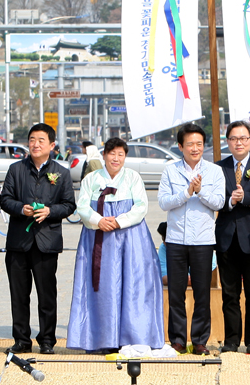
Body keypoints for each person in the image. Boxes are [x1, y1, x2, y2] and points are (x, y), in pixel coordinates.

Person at [67, 138, 164, 353]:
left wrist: (119, 221)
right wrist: (98, 220)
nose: (116, 158)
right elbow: (82, 206)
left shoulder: (133, 177)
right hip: (98, 238)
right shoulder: (91, 179)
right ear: (103, 155)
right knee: (102, 286)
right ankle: (101, 339)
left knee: (133, 285)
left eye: (121, 154)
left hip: (130, 237)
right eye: (112, 154)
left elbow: (141, 207)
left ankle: (132, 336)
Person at [0, 123, 77, 355]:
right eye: (32, 139)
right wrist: (20, 209)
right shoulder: (16, 170)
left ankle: (46, 340)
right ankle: (22, 339)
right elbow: (5, 199)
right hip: (18, 242)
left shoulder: (61, 173)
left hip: (46, 243)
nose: (35, 144)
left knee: (46, 295)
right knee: (19, 295)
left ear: (52, 145)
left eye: (41, 140)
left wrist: (50, 211)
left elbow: (69, 205)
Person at [158, 123, 225, 355]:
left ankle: (199, 341)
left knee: (201, 294)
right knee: (176, 293)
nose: (195, 148)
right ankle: (177, 340)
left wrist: (200, 191)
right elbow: (164, 202)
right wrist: (187, 192)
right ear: (180, 146)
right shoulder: (170, 170)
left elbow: (219, 202)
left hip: (203, 241)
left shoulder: (214, 171)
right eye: (190, 144)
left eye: (199, 144)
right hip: (175, 239)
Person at [214, 121, 250, 354]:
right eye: (233, 139)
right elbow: (215, 199)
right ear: (227, 141)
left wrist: (245, 196)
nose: (238, 142)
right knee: (229, 293)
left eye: (243, 138)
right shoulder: (218, 168)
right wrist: (231, 201)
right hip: (226, 237)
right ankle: (231, 340)